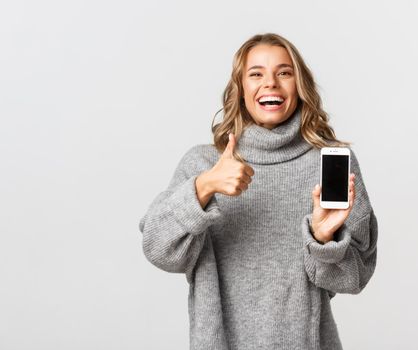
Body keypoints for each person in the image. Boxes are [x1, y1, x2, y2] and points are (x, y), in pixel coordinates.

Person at [138, 32, 378, 350]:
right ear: (240, 90)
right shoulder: (204, 163)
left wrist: (323, 241)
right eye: (256, 74)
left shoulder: (329, 163)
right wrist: (204, 186)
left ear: (299, 85)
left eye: (284, 72)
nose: (271, 83)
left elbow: (355, 277)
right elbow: (159, 250)